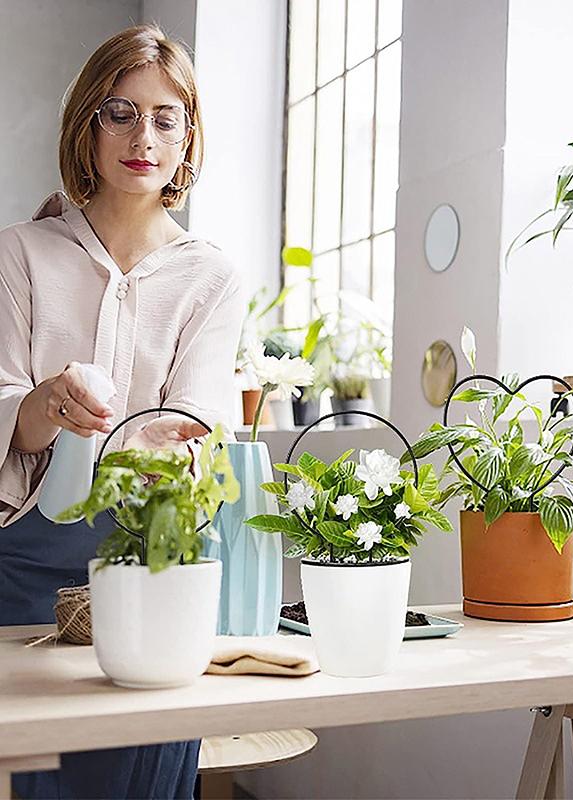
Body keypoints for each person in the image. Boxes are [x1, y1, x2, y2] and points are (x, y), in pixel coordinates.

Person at [0, 24, 244, 799]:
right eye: (120, 112)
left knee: (144, 770)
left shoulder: (212, 277)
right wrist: (42, 404)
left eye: (166, 118)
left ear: (187, 138)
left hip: (157, 559)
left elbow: (203, 418)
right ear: (86, 125)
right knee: (31, 768)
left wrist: (183, 441)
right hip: (27, 563)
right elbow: (5, 404)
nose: (145, 136)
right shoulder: (22, 253)